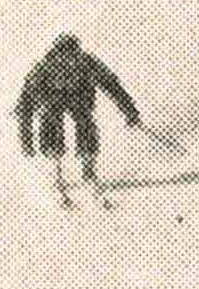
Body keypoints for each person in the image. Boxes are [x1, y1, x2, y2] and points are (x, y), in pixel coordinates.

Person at [16, 35, 141, 193]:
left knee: (85, 122)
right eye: (63, 58)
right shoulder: (44, 68)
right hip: (53, 100)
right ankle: (55, 168)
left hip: (79, 98)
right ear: (57, 54)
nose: (68, 62)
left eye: (72, 57)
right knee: (50, 120)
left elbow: (111, 84)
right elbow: (26, 104)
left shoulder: (86, 62)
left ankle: (87, 168)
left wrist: (130, 111)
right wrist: (26, 140)